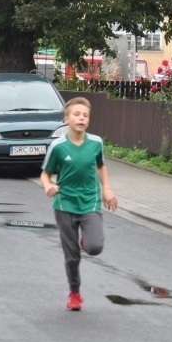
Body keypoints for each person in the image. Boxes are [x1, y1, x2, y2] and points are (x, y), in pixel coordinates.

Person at [40, 97, 118, 311]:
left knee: (94, 247)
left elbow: (101, 167)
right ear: (67, 119)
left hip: (90, 201)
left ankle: (86, 241)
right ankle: (74, 293)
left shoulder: (96, 143)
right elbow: (45, 174)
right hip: (64, 204)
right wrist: (48, 186)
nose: (81, 118)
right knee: (72, 256)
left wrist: (107, 189)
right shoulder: (58, 146)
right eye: (76, 114)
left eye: (85, 115)